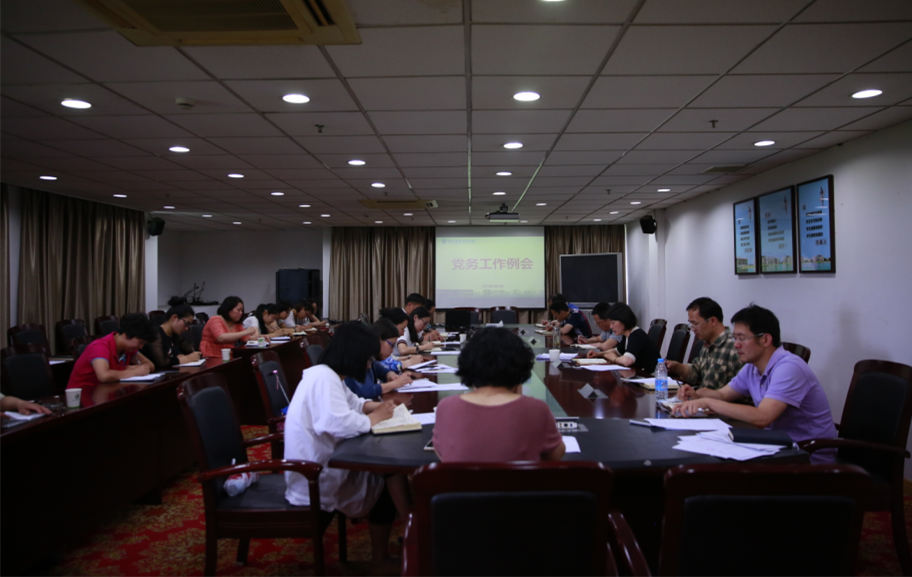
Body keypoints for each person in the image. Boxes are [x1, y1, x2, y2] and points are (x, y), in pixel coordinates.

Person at [283, 322, 410, 569]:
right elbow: (338, 423)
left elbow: (356, 403)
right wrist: (375, 417)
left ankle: (409, 525)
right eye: (368, 359)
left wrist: (384, 407)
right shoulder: (323, 378)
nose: (369, 366)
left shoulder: (330, 376)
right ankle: (382, 558)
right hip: (313, 477)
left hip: (322, 464)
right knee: (385, 479)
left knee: (389, 470)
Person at [673, 305, 837, 462]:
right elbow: (722, 394)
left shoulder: (789, 367)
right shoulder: (752, 367)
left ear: (765, 339)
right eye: (735, 338)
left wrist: (708, 402)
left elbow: (763, 417)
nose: (736, 344)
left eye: (742, 338)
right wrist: (697, 394)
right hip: (776, 447)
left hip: (807, 455)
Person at [433, 327, 565, 461]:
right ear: (521, 365)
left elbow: (442, 453)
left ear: (467, 364)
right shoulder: (536, 409)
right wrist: (519, 397)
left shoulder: (447, 407)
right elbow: (556, 456)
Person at [66, 313, 157, 407]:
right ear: (126, 335)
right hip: (81, 403)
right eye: (140, 342)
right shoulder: (100, 347)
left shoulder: (128, 348)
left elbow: (150, 365)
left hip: (107, 396)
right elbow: (104, 376)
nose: (141, 347)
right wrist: (135, 372)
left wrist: (139, 368)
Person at [666, 297, 743, 393]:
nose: (693, 329)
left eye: (695, 324)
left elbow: (744, 390)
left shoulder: (735, 347)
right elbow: (695, 371)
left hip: (719, 401)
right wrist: (676, 367)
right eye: (691, 324)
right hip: (702, 399)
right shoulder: (707, 344)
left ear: (713, 321)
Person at [344, 321, 414, 398]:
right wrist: (397, 383)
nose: (392, 351)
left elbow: (381, 370)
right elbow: (368, 391)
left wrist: (391, 375)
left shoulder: (371, 358)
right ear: (379, 340)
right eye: (391, 345)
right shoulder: (358, 357)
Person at [586, 303, 660, 371]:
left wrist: (614, 358)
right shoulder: (626, 335)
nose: (611, 327)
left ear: (623, 320)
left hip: (651, 376)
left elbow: (627, 361)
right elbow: (617, 351)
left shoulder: (637, 335)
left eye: (613, 323)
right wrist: (598, 354)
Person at [141, 304, 201, 371]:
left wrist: (182, 356)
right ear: (174, 318)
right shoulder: (156, 334)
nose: (187, 328)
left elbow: (190, 351)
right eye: (186, 323)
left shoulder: (175, 334)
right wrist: (187, 358)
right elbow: (161, 363)